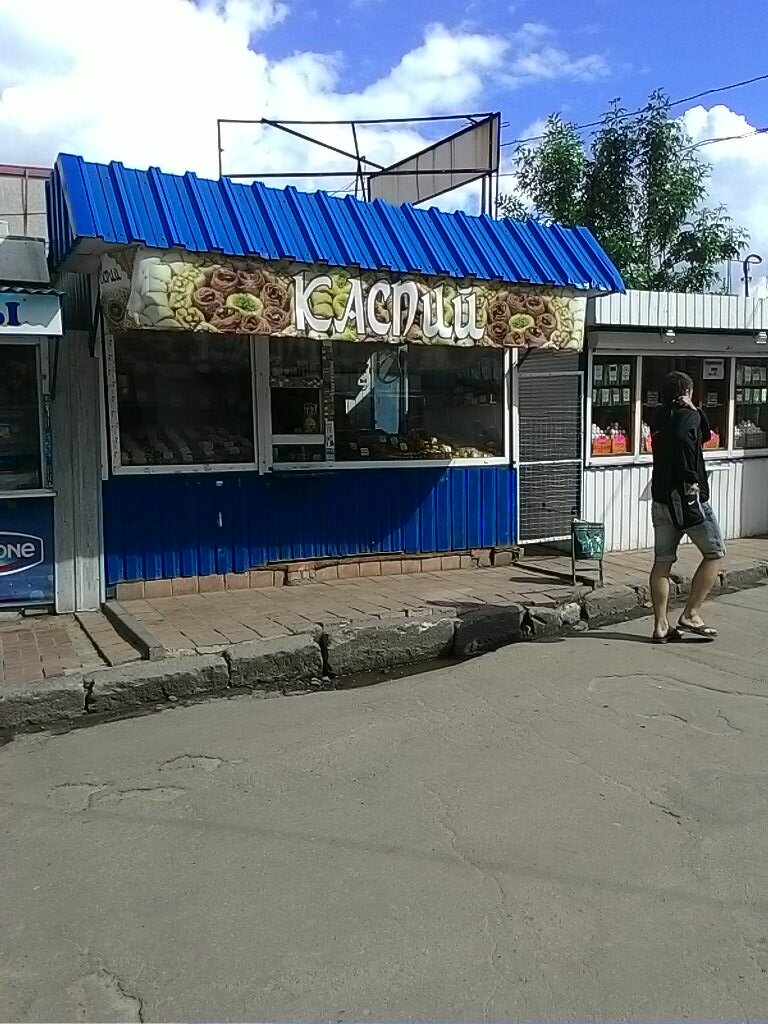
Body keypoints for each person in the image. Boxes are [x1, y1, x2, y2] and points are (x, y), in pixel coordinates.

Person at [649, 370, 726, 643]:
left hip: (661, 498)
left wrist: (696, 412)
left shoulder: (658, 416)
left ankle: (661, 626)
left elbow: (697, 437)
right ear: (687, 392)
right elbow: (697, 438)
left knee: (662, 562)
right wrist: (691, 481)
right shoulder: (688, 416)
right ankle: (691, 614)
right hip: (687, 499)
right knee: (714, 552)